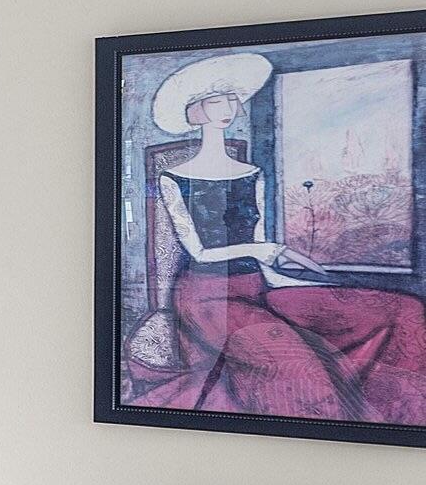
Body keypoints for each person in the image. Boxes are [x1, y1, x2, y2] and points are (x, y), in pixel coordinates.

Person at [125, 50, 426, 424]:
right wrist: (268, 249)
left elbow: (263, 249)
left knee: (403, 310)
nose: (230, 107)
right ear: (197, 109)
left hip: (258, 289)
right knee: (301, 371)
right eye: (219, 99)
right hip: (205, 299)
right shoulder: (173, 179)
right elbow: (200, 253)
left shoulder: (253, 173)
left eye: (233, 98)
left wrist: (291, 278)